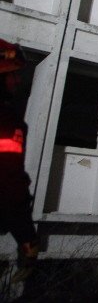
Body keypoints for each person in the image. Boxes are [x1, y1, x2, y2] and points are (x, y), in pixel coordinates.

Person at [0, 41, 38, 283]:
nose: (17, 81)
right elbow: (7, 177)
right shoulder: (5, 122)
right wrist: (26, 236)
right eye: (12, 74)